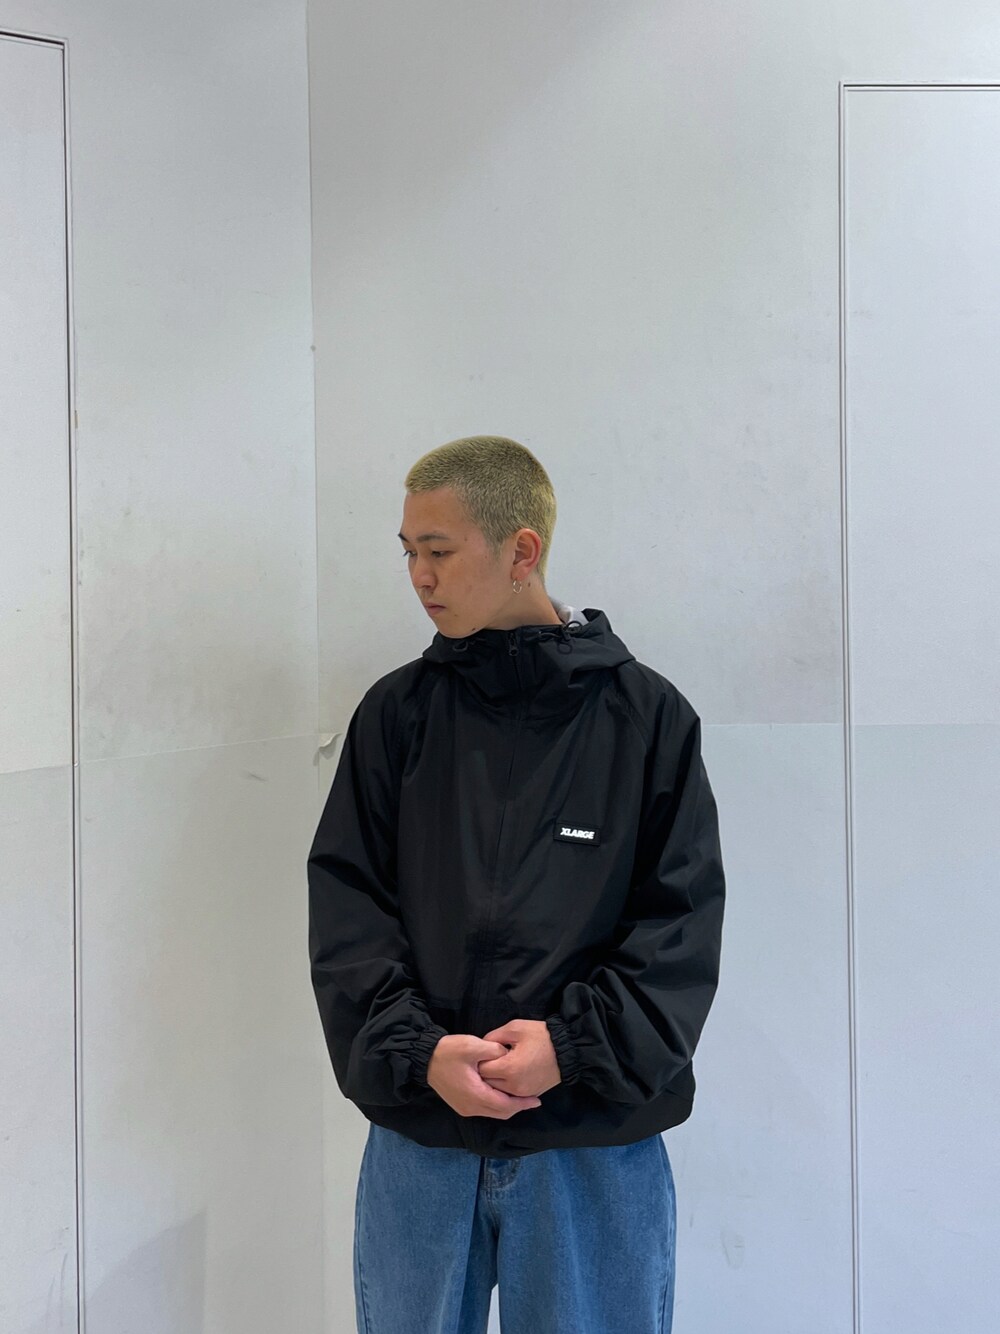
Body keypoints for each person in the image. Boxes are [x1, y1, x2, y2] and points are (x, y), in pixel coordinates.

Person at [307, 435, 726, 1333]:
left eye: (438, 549)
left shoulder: (646, 719)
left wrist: (569, 1047)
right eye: (407, 551)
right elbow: (348, 909)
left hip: (589, 1147)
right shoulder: (395, 716)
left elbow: (680, 927)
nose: (418, 575)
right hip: (423, 1140)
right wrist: (421, 1052)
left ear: (521, 550)